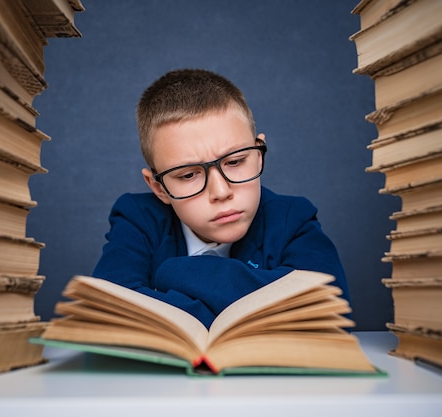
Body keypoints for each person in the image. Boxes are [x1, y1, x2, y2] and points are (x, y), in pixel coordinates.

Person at [92, 68, 349, 328]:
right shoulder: (137, 218)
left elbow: (331, 309)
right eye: (188, 175)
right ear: (159, 188)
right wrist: (267, 300)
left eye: (235, 161)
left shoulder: (292, 218)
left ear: (258, 154)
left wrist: (177, 273)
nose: (221, 192)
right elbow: (108, 312)